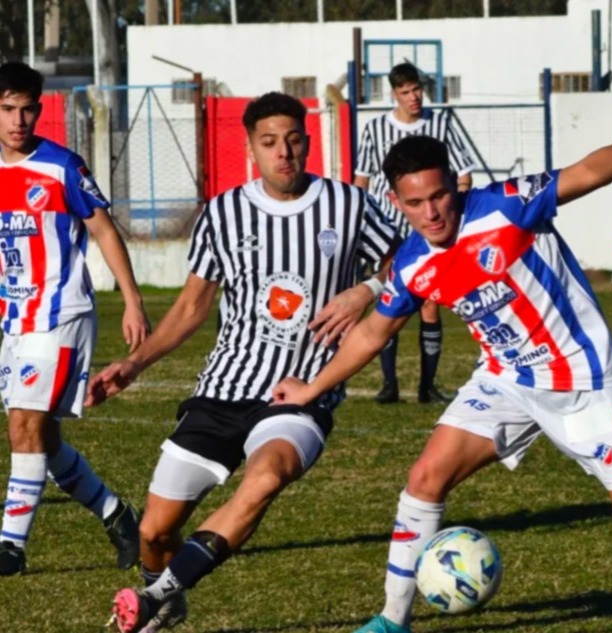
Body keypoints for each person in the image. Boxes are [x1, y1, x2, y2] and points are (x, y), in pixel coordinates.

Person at [275, 116, 612, 633]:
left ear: (455, 183)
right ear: (395, 201)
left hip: (585, 380)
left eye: (438, 196)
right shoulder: (412, 264)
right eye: (414, 203)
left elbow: (588, 172)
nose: (430, 213)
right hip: (506, 381)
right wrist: (311, 389)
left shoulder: (507, 204)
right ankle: (392, 620)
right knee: (425, 479)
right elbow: (371, 334)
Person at [85, 92, 398, 632]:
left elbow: (408, 262)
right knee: (155, 533)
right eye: (270, 142)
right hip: (224, 389)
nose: (285, 154)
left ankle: (156, 591)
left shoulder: (348, 205)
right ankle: (170, 595)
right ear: (250, 146)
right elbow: (191, 307)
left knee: (266, 476)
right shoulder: (223, 213)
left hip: (300, 393)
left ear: (308, 141)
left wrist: (366, 288)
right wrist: (133, 365)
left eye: (294, 141)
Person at [0, 62, 147, 576]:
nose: (20, 120)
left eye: (28, 109)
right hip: (13, 322)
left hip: (62, 313)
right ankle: (118, 516)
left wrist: (132, 299)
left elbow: (103, 229)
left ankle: (10, 548)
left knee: (24, 423)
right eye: (8, 108)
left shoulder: (61, 166)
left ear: (40, 110)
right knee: (43, 438)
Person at [355, 62, 476, 405]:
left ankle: (428, 385)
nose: (414, 97)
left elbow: (464, 173)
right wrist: (362, 226)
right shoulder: (376, 129)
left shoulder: (441, 123)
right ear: (393, 94)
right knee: (389, 302)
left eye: (417, 89)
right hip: (387, 232)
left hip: (430, 231)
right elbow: (362, 181)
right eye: (405, 91)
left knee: (430, 304)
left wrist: (455, 212)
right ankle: (389, 384)